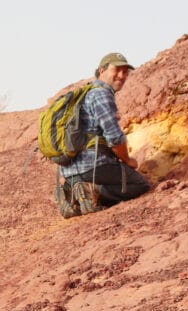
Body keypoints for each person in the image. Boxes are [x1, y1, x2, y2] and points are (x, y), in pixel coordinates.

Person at [56, 52, 151, 217]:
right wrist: (127, 160)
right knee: (140, 184)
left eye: (125, 72)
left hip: (69, 170)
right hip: (94, 165)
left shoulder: (84, 93)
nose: (122, 76)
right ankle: (92, 190)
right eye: (117, 70)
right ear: (102, 70)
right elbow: (114, 137)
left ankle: (75, 195)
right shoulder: (101, 94)